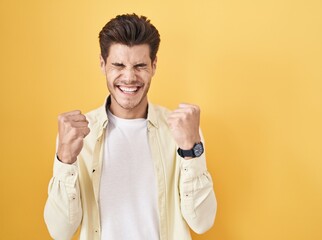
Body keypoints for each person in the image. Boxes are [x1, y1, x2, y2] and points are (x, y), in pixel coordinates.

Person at [44, 13, 217, 240]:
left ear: (154, 66)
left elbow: (202, 222)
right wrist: (65, 160)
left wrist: (191, 150)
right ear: (102, 64)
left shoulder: (181, 132)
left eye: (140, 66)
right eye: (118, 65)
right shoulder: (78, 134)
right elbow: (60, 231)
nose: (129, 77)